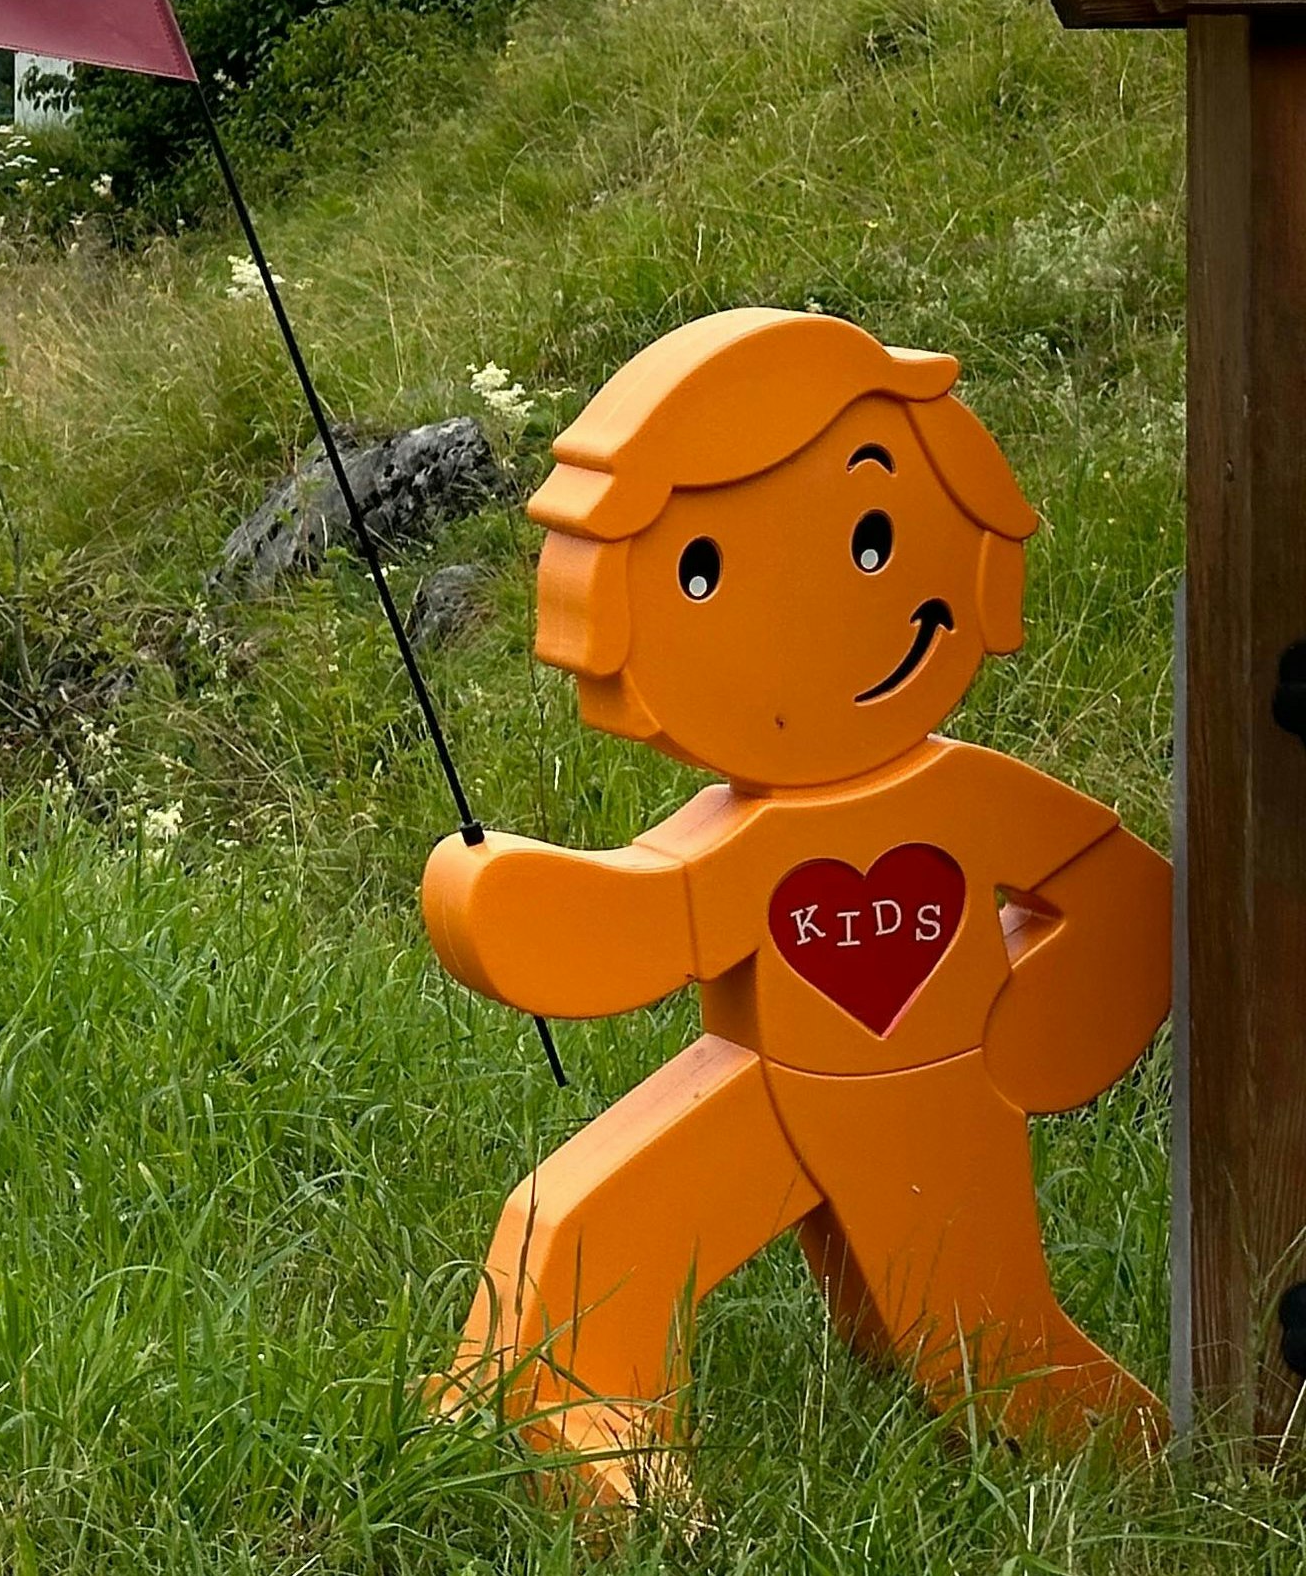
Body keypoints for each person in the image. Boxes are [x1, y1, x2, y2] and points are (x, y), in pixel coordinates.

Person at [425, 308, 1169, 1509]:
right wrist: (510, 908)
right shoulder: (760, 836)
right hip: (781, 1083)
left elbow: (1119, 888)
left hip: (927, 1086)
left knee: (987, 1334)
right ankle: (559, 1415)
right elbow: (652, 919)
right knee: (581, 1228)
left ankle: (1138, 1463)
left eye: (875, 538)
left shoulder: (961, 793)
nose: (810, 611)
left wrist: (1044, 1031)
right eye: (703, 572)